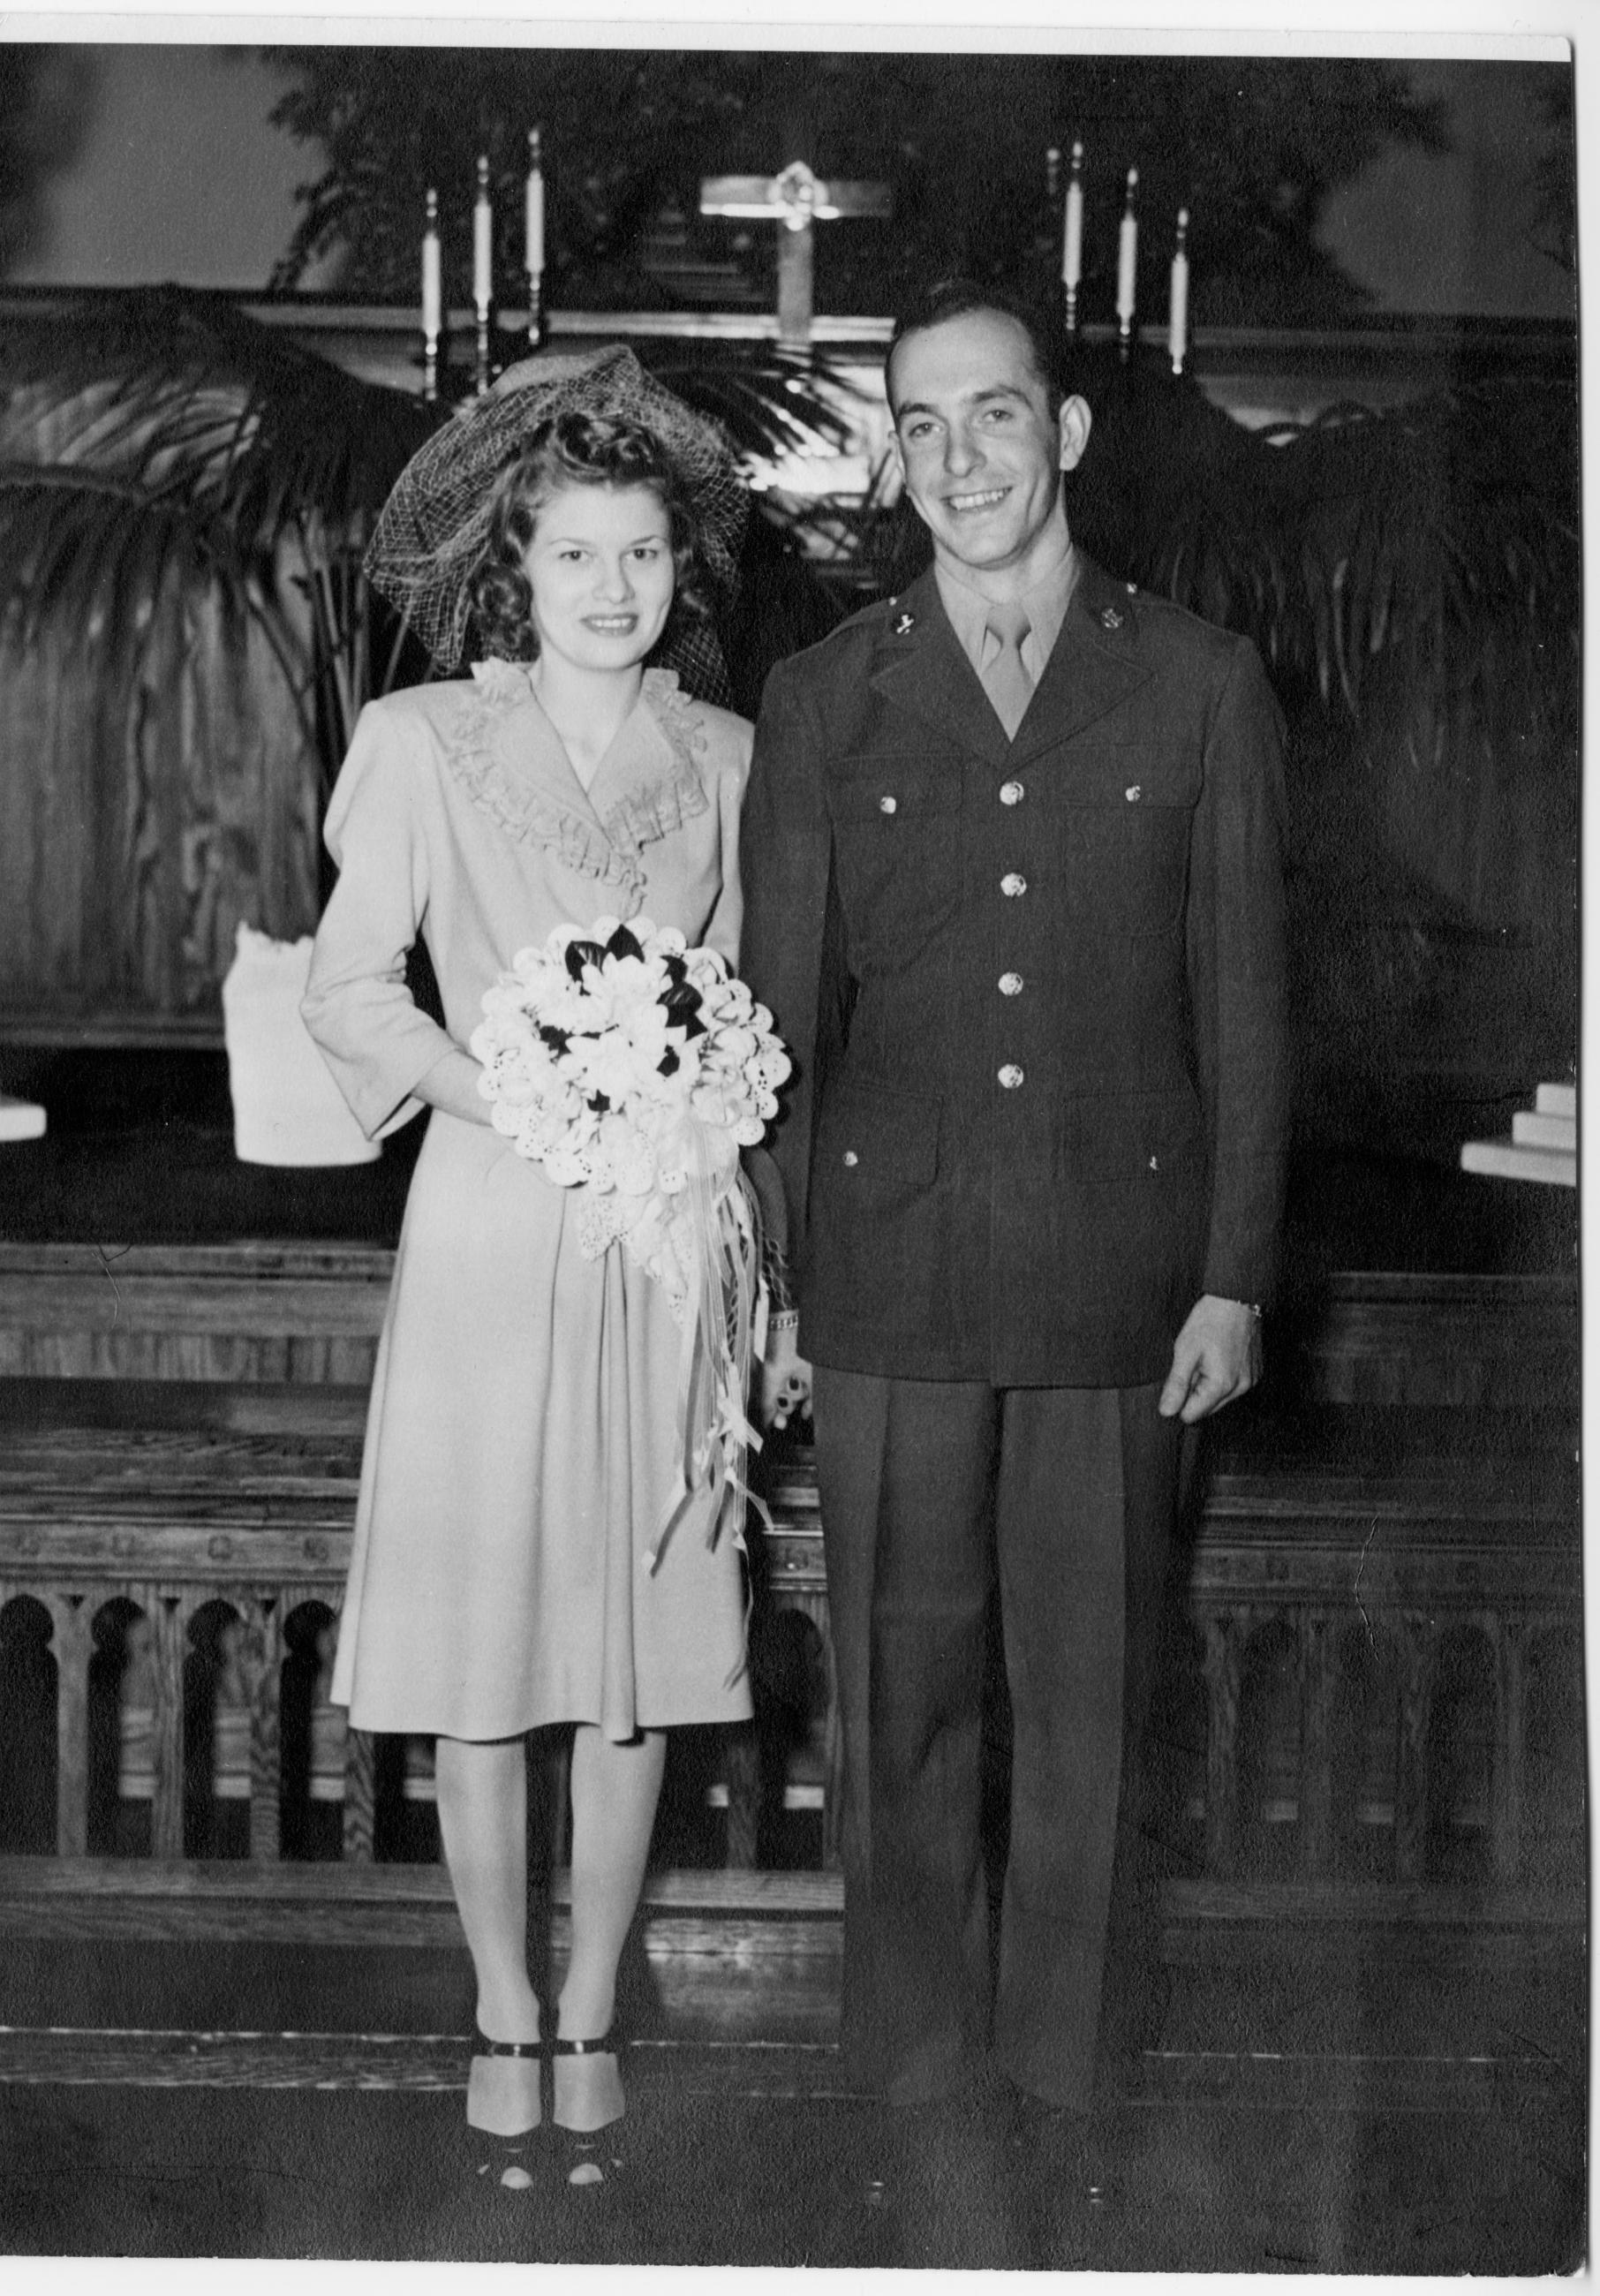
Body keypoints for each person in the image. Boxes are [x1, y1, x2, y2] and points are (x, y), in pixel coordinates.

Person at [742, 280, 1288, 2184]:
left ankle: (1068, 2082)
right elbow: (781, 1029)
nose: (958, 456)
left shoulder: (1200, 680)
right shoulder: (826, 696)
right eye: (919, 423)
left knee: (1089, 1704)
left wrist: (1232, 1272)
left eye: (991, 414)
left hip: (1116, 1277)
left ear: (1065, 432)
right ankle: (912, 2080)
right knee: (898, 1698)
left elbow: (1246, 1008)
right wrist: (779, 1283)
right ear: (891, 457)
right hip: (886, 1278)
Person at [302, 349, 756, 2194]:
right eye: (575, 551)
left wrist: (752, 1267)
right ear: (517, 567)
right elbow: (349, 989)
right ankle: (499, 2003)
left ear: (677, 568)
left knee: (633, 1650)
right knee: (485, 1647)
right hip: (491, 1223)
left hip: (665, 1238)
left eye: (642, 551)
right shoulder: (424, 740)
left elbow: (751, 1023)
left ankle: (589, 2004)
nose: (611, 586)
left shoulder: (731, 759)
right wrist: (512, 1085)